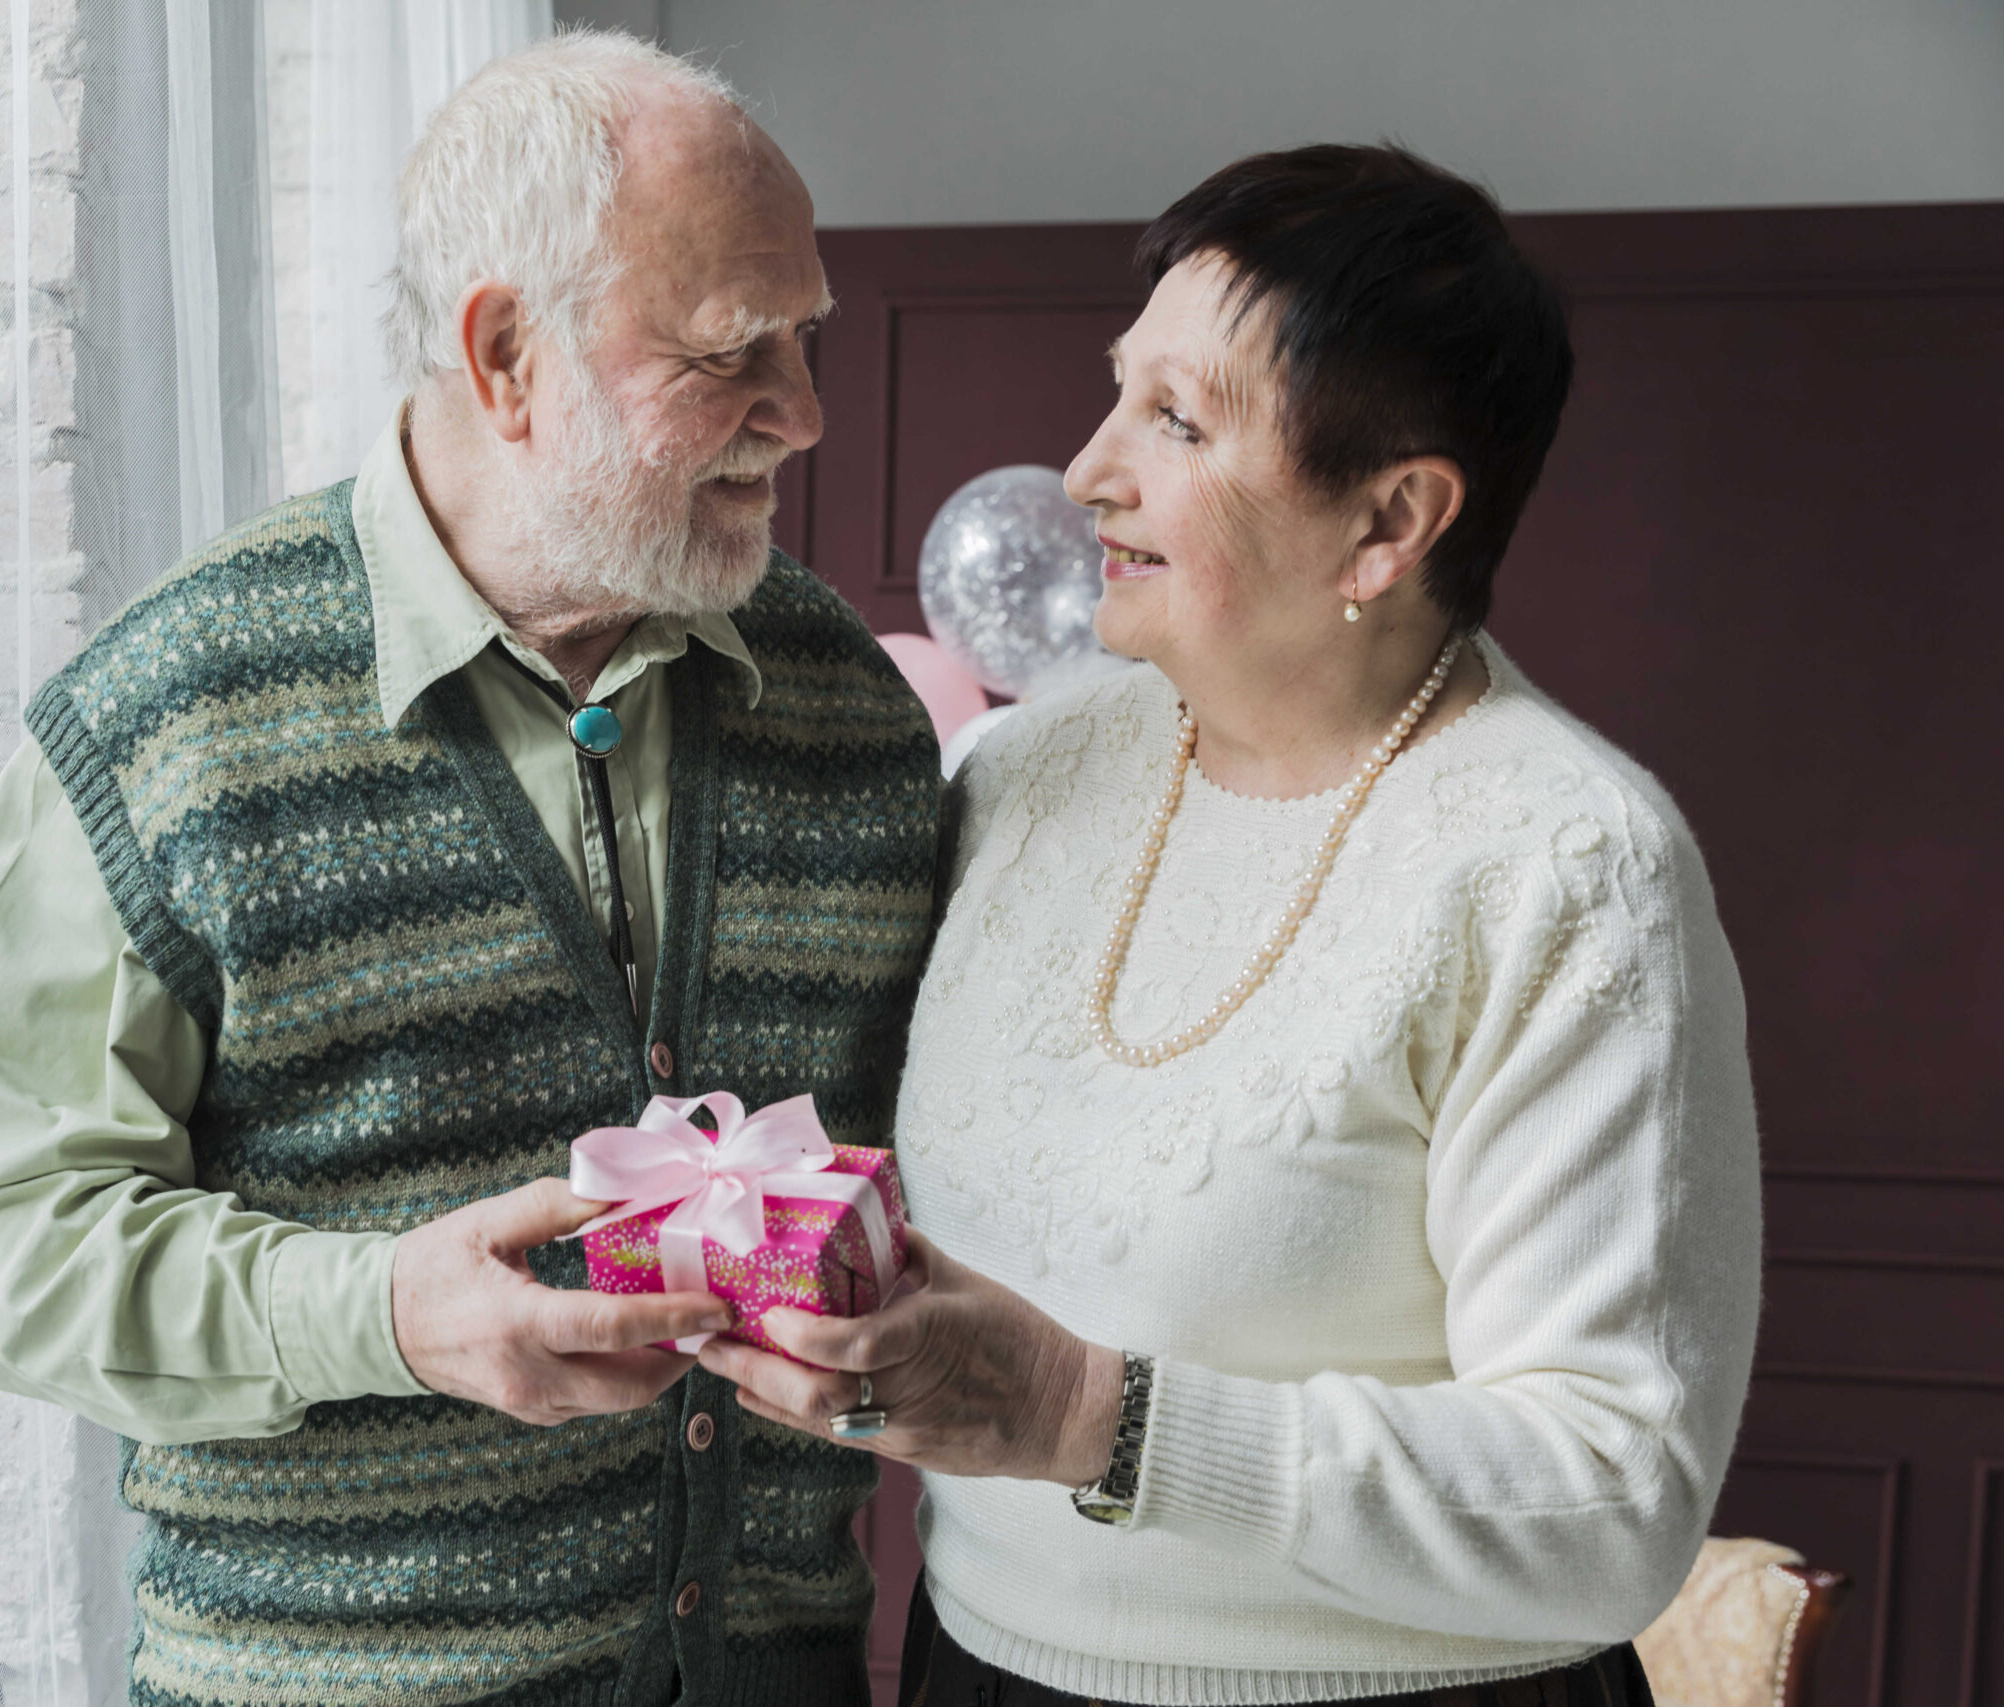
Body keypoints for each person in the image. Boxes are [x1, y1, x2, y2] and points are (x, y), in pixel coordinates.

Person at [0, 31, 942, 1707]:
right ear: (506, 351)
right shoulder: (170, 717)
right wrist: (377, 1313)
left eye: (808, 337)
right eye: (729, 353)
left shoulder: (848, 707)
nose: (806, 416)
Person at [698, 145, 1762, 1707]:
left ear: (1390, 521)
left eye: (1180, 422)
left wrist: (1093, 1415)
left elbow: (1613, 1502)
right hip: (975, 1667)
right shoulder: (1025, 766)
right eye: (1121, 391)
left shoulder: (1570, 866)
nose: (1088, 470)